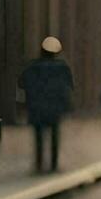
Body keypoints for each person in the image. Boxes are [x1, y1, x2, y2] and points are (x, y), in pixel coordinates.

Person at [20, 36, 75, 173]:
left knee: (38, 136)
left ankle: (39, 164)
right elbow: (69, 87)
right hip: (54, 107)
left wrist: (26, 102)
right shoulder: (62, 67)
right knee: (54, 135)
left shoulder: (32, 67)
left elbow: (23, 83)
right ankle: (53, 164)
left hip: (37, 106)